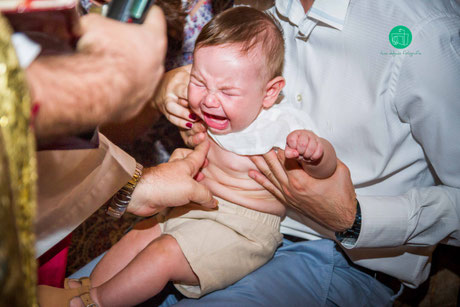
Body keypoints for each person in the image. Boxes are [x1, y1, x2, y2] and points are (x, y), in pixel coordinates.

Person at [150, 0, 460, 305]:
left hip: (343, 260)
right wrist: (170, 90)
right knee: (109, 277)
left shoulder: (424, 32)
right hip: (222, 220)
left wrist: (355, 218)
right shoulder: (262, 22)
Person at [37, 7, 339, 306]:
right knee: (140, 233)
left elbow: (324, 174)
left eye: (228, 91)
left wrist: (316, 154)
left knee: (163, 253)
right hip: (189, 208)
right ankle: (86, 287)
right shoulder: (211, 113)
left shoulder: (281, 125)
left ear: (270, 92)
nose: (209, 99)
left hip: (241, 229)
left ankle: (96, 302)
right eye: (199, 81)